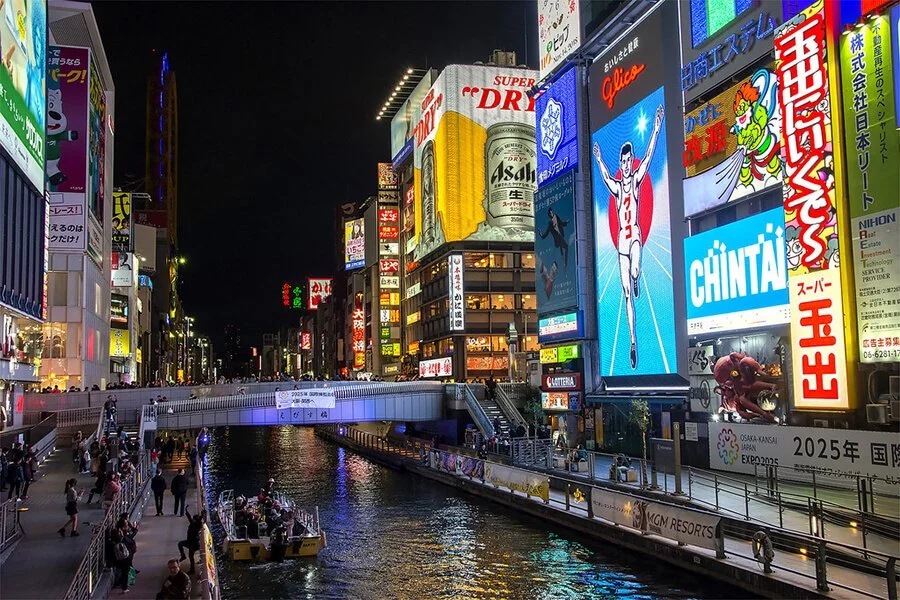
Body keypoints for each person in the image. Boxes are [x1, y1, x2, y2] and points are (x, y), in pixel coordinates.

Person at [592, 103, 664, 369]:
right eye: (621, 162)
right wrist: (599, 159)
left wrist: (656, 129)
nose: (624, 165)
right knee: (626, 296)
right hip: (622, 242)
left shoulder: (635, 180)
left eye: (626, 160)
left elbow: (648, 156)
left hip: (635, 236)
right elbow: (604, 177)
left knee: (634, 272)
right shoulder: (616, 185)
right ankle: (633, 342)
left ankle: (637, 277)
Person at [177, 508, 203, 574]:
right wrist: (186, 511)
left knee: (190, 556)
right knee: (190, 556)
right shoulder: (193, 523)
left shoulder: (198, 526)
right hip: (190, 542)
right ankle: (184, 558)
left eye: (194, 519)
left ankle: (191, 569)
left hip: (193, 544)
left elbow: (200, 519)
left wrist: (202, 514)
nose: (192, 519)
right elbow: (190, 519)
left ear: (196, 520)